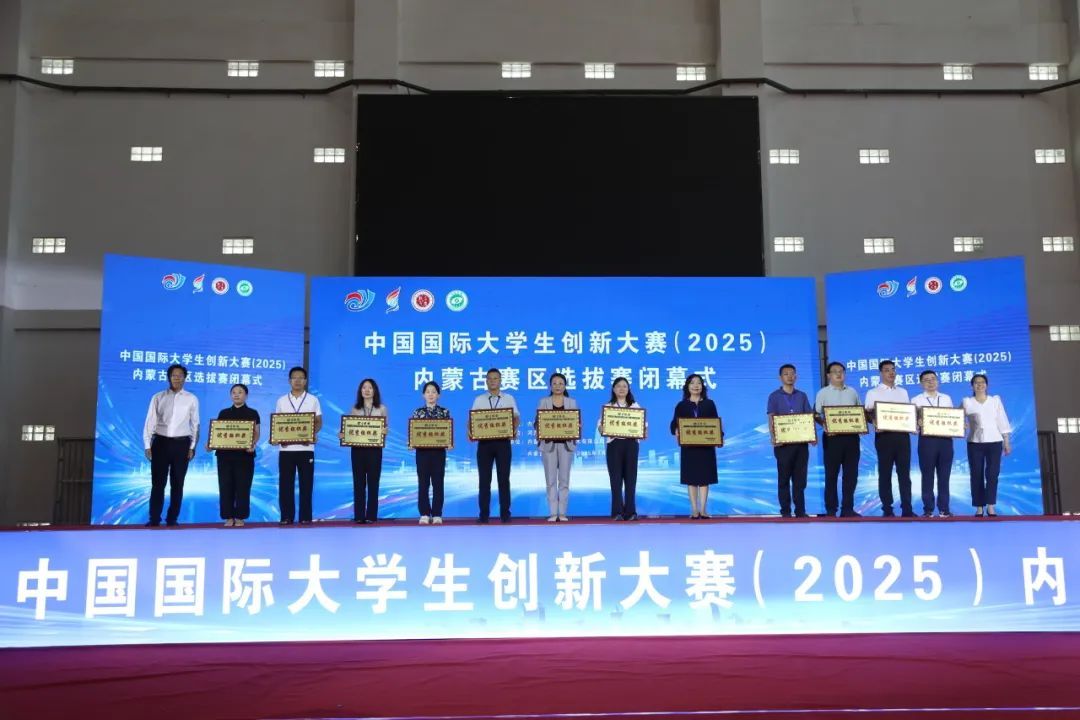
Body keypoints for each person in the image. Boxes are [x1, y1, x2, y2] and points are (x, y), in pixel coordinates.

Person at [142, 363, 200, 527]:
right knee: (157, 483)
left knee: (178, 483)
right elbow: (150, 421)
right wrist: (147, 444)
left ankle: (172, 519)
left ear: (185, 378)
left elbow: (195, 424)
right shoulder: (158, 397)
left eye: (180, 375)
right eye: (174, 375)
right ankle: (154, 518)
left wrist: (192, 447)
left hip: (182, 444)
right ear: (169, 377)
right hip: (160, 443)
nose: (177, 378)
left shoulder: (191, 398)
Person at [272, 366, 323, 525]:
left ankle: (305, 517)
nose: (298, 380)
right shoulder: (281, 400)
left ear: (305, 381)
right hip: (286, 449)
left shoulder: (313, 400)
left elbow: (318, 422)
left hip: (306, 448)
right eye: (294, 377)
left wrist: (311, 434)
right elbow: (277, 424)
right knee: (285, 484)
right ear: (289, 381)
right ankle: (286, 516)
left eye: (301, 378)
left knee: (306, 484)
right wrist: (276, 437)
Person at [865, 360, 914, 517]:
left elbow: (907, 414)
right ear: (881, 373)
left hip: (902, 436)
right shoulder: (873, 392)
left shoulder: (903, 392)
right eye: (887, 370)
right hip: (884, 436)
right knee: (885, 472)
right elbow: (867, 414)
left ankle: (907, 507)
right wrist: (874, 421)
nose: (891, 373)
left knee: (904, 473)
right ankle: (887, 507)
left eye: (893, 369)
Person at [207, 383, 260, 527]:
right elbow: (218, 434)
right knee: (225, 486)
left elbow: (256, 433)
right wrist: (211, 445)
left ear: (246, 395)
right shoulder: (223, 413)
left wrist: (252, 444)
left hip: (245, 456)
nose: (236, 395)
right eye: (234, 392)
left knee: (243, 487)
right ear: (231, 395)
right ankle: (228, 517)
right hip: (225, 456)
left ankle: (241, 517)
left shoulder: (253, 413)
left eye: (240, 392)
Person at [471, 368, 520, 524]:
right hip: (484, 444)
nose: (493, 381)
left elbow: (516, 418)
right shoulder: (479, 399)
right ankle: (483, 515)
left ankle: (505, 514)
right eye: (490, 378)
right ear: (486, 381)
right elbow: (472, 420)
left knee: (504, 479)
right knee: (484, 480)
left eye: (495, 378)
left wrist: (513, 430)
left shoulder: (508, 398)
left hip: (503, 443)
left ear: (500, 381)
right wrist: (471, 432)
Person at [814, 362, 862, 518]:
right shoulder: (823, 393)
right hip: (832, 438)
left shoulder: (852, 392)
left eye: (841, 371)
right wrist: (825, 425)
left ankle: (847, 509)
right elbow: (816, 414)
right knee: (831, 474)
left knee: (851, 475)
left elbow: (859, 412)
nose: (839, 374)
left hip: (851, 438)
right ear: (829, 375)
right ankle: (831, 510)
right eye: (835, 371)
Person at [766, 364, 815, 518]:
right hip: (783, 445)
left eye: (792, 373)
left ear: (796, 376)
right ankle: (785, 511)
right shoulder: (774, 396)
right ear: (780, 377)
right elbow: (771, 418)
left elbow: (808, 417)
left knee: (800, 479)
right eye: (786, 374)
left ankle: (800, 511)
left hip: (801, 444)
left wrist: (813, 436)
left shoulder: (802, 396)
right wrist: (774, 437)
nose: (790, 376)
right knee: (784, 478)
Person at [337, 378, 387, 524]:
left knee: (373, 483)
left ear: (374, 391)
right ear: (360, 391)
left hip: (375, 450)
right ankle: (359, 515)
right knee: (358, 483)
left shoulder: (382, 408)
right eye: (364, 387)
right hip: (357, 450)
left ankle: (371, 515)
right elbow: (350, 429)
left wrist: (385, 431)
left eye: (370, 387)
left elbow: (385, 429)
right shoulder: (355, 409)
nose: (367, 390)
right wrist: (343, 435)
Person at [962, 374, 1012, 517]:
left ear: (987, 385)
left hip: (995, 441)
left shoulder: (995, 400)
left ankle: (991, 505)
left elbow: (1002, 420)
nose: (980, 385)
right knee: (976, 474)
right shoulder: (967, 402)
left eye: (982, 382)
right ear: (972, 386)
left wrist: (1006, 441)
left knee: (992, 474)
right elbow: (955, 417)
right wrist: (961, 424)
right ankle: (979, 507)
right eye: (976, 383)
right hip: (974, 442)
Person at [669, 373, 719, 518]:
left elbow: (715, 423)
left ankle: (703, 510)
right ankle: (694, 510)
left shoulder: (709, 404)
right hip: (689, 447)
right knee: (691, 479)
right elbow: (674, 424)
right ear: (687, 387)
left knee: (704, 479)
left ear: (702, 386)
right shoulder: (681, 405)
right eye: (692, 383)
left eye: (698, 383)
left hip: (706, 447)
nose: (696, 386)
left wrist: (719, 437)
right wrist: (676, 429)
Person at [911, 370, 954, 517]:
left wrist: (959, 425)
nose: (930, 382)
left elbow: (952, 419)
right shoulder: (916, 400)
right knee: (927, 475)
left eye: (933, 379)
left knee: (944, 476)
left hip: (945, 441)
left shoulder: (946, 398)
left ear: (937, 381)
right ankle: (928, 509)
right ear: (921, 383)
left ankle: (944, 509)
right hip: (927, 441)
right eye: (926, 380)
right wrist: (917, 423)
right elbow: (912, 426)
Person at [604, 377, 644, 521]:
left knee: (631, 479)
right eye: (618, 386)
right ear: (614, 389)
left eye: (624, 386)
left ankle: (631, 512)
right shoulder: (608, 406)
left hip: (631, 445)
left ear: (628, 389)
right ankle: (617, 512)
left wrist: (643, 430)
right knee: (615, 480)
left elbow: (643, 425)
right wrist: (602, 428)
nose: (621, 389)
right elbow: (601, 426)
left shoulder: (635, 406)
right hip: (614, 445)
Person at [537, 372, 576, 522]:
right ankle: (553, 513)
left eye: (561, 383)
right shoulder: (543, 402)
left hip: (566, 445)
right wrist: (539, 427)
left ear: (565, 386)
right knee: (551, 481)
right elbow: (537, 422)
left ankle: (563, 513)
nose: (558, 386)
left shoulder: (571, 402)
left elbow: (577, 423)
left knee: (564, 480)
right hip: (549, 445)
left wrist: (576, 427)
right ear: (550, 386)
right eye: (554, 383)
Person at [413, 381, 451, 524]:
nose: (431, 394)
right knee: (423, 484)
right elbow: (414, 433)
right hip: (422, 453)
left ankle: (436, 514)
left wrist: (449, 443)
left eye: (434, 392)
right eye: (428, 392)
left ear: (438, 395)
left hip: (438, 453)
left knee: (438, 483)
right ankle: (424, 513)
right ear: (423, 395)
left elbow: (447, 432)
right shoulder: (418, 412)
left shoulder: (444, 412)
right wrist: (412, 443)